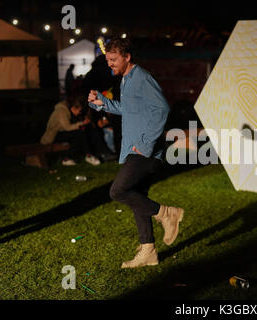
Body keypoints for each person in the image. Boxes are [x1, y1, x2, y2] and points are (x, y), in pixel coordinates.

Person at [87, 37, 184, 269]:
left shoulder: (141, 77)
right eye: (107, 60)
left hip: (144, 150)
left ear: (127, 57)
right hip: (135, 147)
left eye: (113, 59)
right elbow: (126, 110)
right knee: (136, 197)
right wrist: (100, 102)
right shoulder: (126, 79)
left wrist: (145, 143)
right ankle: (148, 250)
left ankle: (166, 214)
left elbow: (162, 109)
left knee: (118, 190)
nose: (109, 64)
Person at [40, 95, 101, 166]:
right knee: (79, 134)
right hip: (53, 136)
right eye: (79, 110)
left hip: (61, 133)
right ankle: (83, 156)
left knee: (80, 134)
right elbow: (67, 127)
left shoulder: (69, 112)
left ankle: (86, 155)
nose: (79, 113)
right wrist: (82, 123)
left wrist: (82, 123)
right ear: (74, 108)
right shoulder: (62, 110)